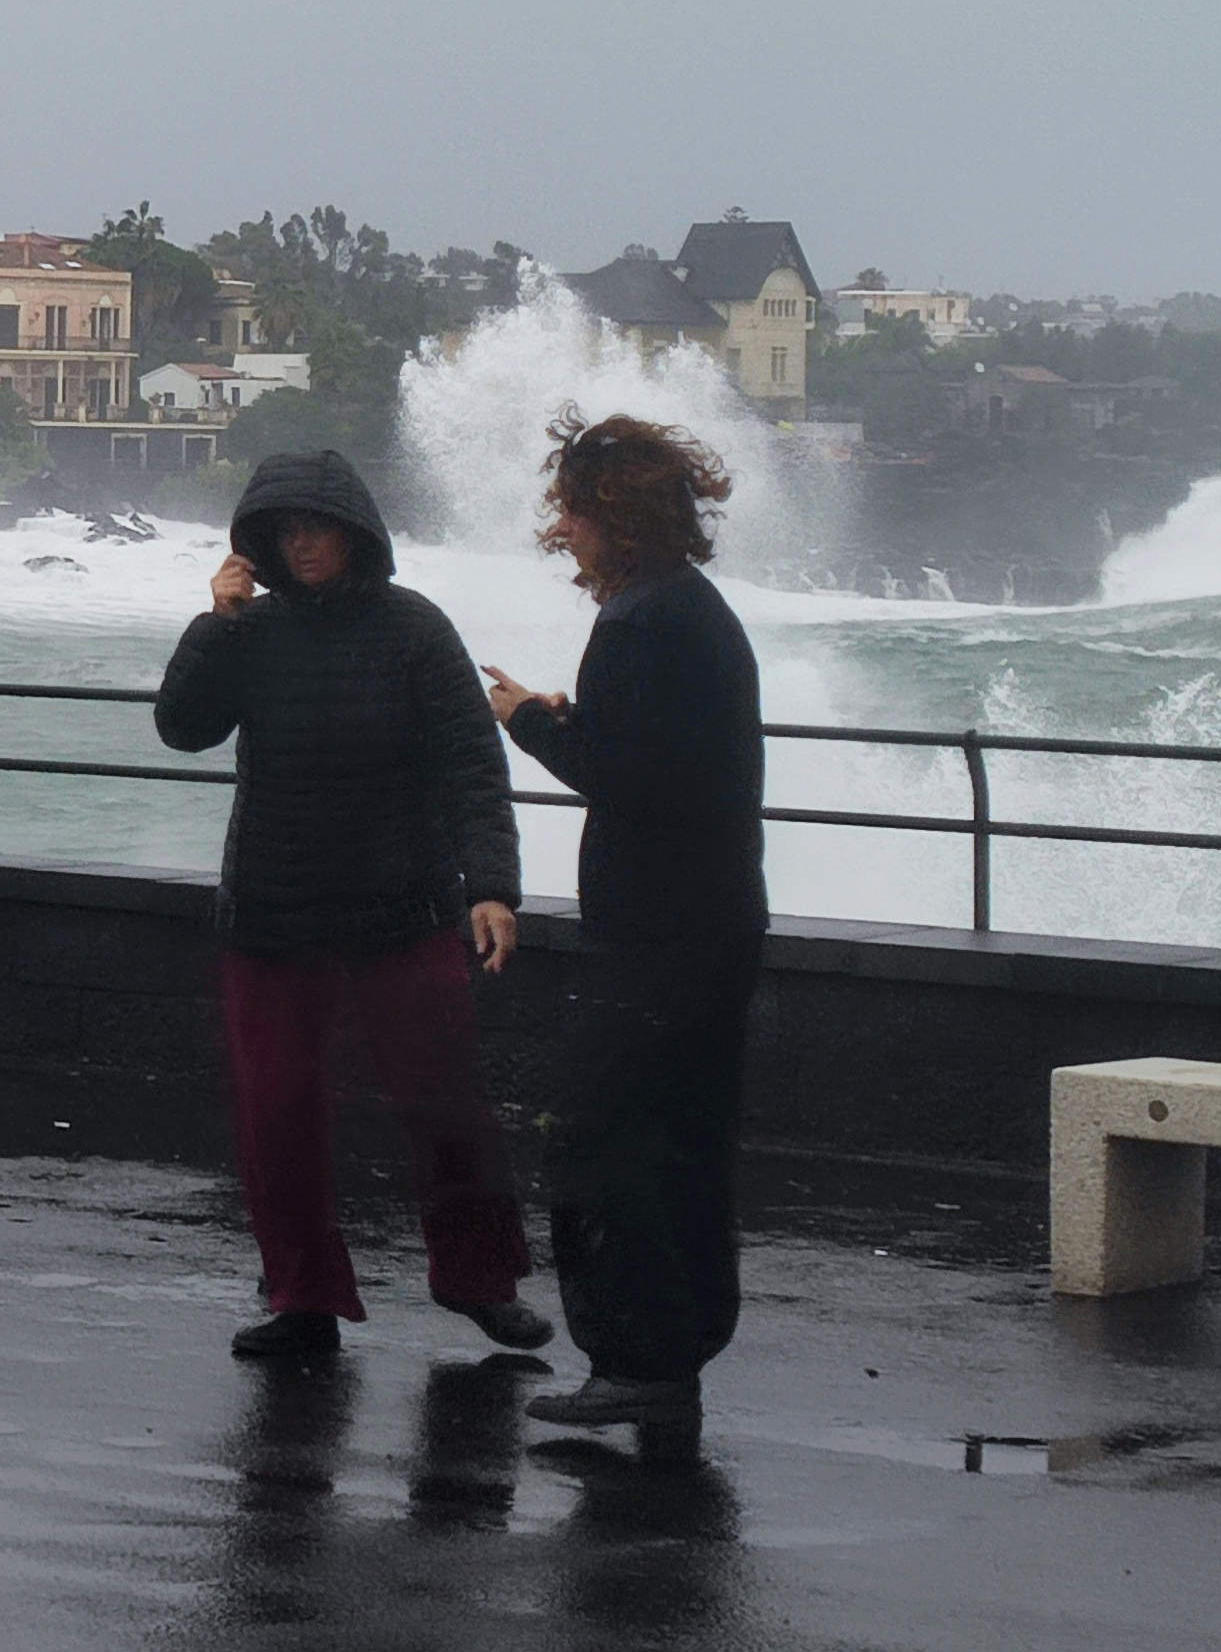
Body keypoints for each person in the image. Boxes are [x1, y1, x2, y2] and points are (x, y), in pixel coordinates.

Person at [157, 447, 548, 1362]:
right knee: (277, 1114)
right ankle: (303, 1299)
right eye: (285, 530)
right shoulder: (247, 633)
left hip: (398, 907)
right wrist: (215, 621)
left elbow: (469, 765)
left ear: (354, 533)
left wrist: (490, 885)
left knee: (446, 1107)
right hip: (273, 910)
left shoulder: (413, 629)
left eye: (317, 527)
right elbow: (182, 729)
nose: (302, 544)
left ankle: (479, 1282)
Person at [481, 413, 766, 1452]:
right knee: (684, 1143)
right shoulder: (688, 609)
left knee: (608, 1142)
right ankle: (670, 1361)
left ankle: (636, 1362)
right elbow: (661, 756)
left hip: (658, 932)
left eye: (570, 508)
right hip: (711, 917)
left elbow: (626, 777)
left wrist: (530, 721)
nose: (562, 529)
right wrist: (579, 723)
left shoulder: (642, 622)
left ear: (612, 514)